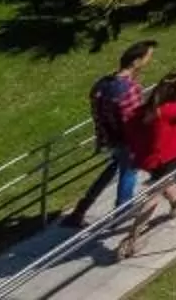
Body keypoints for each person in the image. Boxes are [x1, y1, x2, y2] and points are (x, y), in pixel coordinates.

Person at [115, 70, 176, 255]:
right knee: (153, 196)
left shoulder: (144, 110)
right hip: (166, 158)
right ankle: (133, 237)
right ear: (175, 91)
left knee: (165, 182)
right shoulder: (169, 110)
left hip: (149, 158)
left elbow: (130, 131)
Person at [66, 41, 155, 228]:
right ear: (136, 62)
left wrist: (103, 138)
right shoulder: (129, 89)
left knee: (112, 169)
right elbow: (133, 121)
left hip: (109, 138)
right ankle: (122, 212)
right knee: (129, 172)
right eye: (148, 57)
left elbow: (97, 113)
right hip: (127, 140)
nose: (150, 60)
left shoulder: (101, 84)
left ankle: (81, 208)